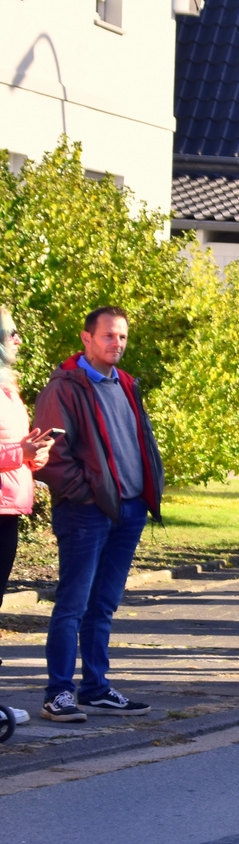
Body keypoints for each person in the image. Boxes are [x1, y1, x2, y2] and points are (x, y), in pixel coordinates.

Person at [33, 306, 164, 724]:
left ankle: (95, 687)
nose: (117, 344)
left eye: (122, 337)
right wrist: (87, 495)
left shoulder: (125, 383)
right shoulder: (65, 388)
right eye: (109, 336)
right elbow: (51, 458)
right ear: (86, 339)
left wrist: (143, 496)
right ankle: (58, 693)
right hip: (86, 512)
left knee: (103, 605)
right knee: (72, 604)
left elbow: (138, 440)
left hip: (128, 509)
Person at [0, 309, 54, 727]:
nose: (19, 340)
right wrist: (21, 454)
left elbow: (13, 451)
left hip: (10, 509)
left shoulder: (9, 388)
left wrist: (34, 455)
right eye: (12, 333)